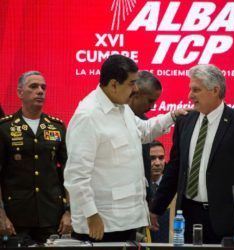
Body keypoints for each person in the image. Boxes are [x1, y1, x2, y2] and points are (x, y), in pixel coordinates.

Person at [64, 55, 187, 242]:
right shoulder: (88, 116)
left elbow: (143, 131)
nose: (136, 89)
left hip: (126, 221)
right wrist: (91, 215)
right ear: (113, 84)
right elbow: (76, 176)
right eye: (131, 83)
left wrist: (172, 116)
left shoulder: (121, 107)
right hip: (102, 224)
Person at [150, 64, 234, 244]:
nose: (190, 95)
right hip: (188, 217)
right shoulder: (185, 121)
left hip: (229, 220)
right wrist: (156, 208)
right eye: (190, 89)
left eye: (196, 90)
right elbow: (175, 168)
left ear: (215, 90)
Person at [0, 71, 71, 244]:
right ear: (19, 93)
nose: (40, 91)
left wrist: (70, 212)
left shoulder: (57, 126)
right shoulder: (5, 127)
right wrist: (0, 214)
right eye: (33, 86)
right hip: (16, 217)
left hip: (51, 216)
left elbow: (70, 172)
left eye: (43, 87)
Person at [128, 71, 162, 197]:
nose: (153, 106)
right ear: (135, 93)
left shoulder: (145, 122)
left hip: (141, 197)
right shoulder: (112, 119)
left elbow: (145, 166)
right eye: (150, 100)